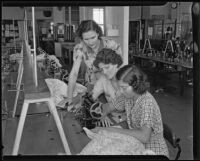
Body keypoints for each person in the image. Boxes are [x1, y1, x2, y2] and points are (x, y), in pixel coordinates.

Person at [91, 64, 169, 157]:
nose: (120, 91)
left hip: (152, 151)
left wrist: (109, 130)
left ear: (136, 85)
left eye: (123, 87)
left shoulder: (147, 103)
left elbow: (144, 136)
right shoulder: (127, 96)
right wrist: (101, 114)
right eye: (119, 87)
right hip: (137, 144)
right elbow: (108, 107)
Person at [67, 20, 122, 110]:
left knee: (114, 105)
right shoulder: (80, 48)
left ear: (98, 33)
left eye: (93, 37)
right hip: (92, 79)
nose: (90, 42)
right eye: (86, 39)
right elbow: (74, 74)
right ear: (81, 38)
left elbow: (118, 66)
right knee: (91, 105)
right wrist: (69, 100)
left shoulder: (111, 45)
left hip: (110, 79)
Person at [91, 48, 125, 127]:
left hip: (129, 121)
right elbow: (91, 97)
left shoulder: (127, 78)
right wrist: (101, 113)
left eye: (107, 67)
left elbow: (137, 111)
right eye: (101, 69)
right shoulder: (103, 79)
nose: (104, 72)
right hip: (112, 117)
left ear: (116, 64)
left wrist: (118, 120)